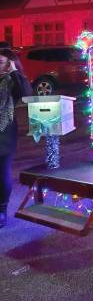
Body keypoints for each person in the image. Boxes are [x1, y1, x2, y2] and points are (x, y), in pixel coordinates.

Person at [0, 48, 32, 228]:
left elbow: (27, 94)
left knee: (2, 173)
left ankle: (1, 210)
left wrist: (14, 71)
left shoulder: (13, 81)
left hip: (4, 134)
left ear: (8, 64)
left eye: (0, 62)